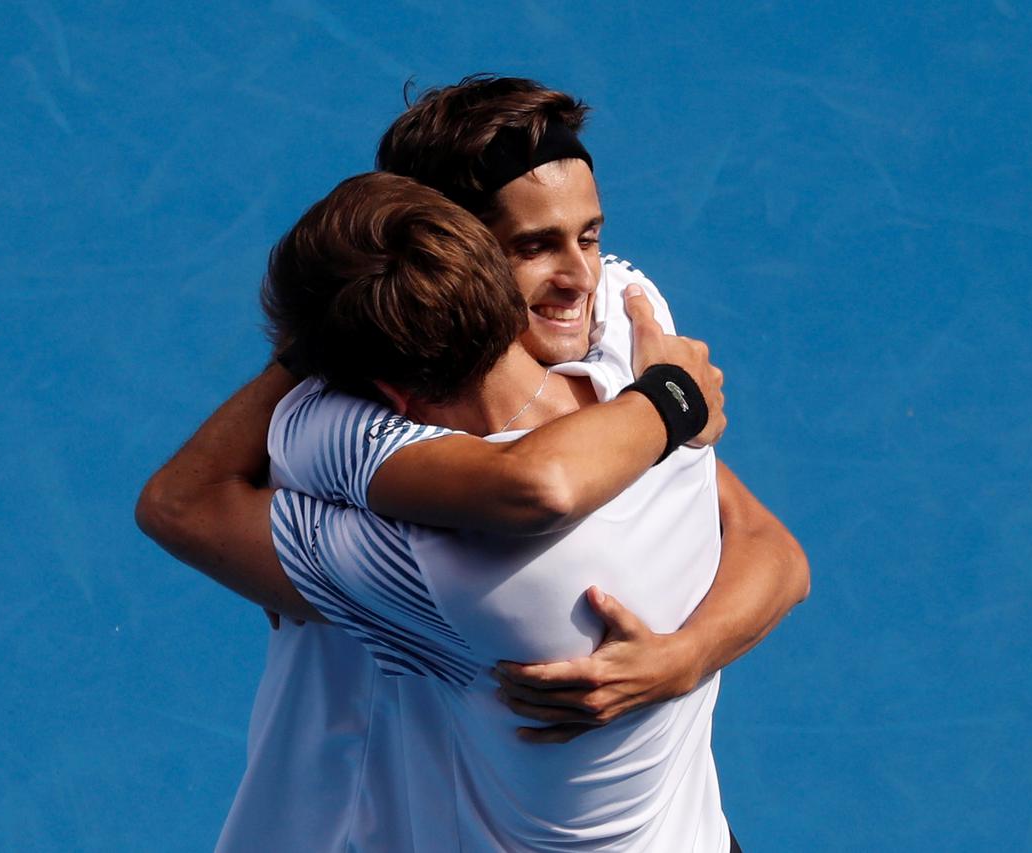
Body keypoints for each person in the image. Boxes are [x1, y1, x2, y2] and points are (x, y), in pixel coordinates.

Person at [137, 75, 809, 850]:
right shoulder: (647, 352)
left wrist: (685, 655)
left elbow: (184, 504)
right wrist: (670, 401)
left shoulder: (346, 442)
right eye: (533, 246)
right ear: (456, 251)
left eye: (589, 237)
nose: (583, 278)